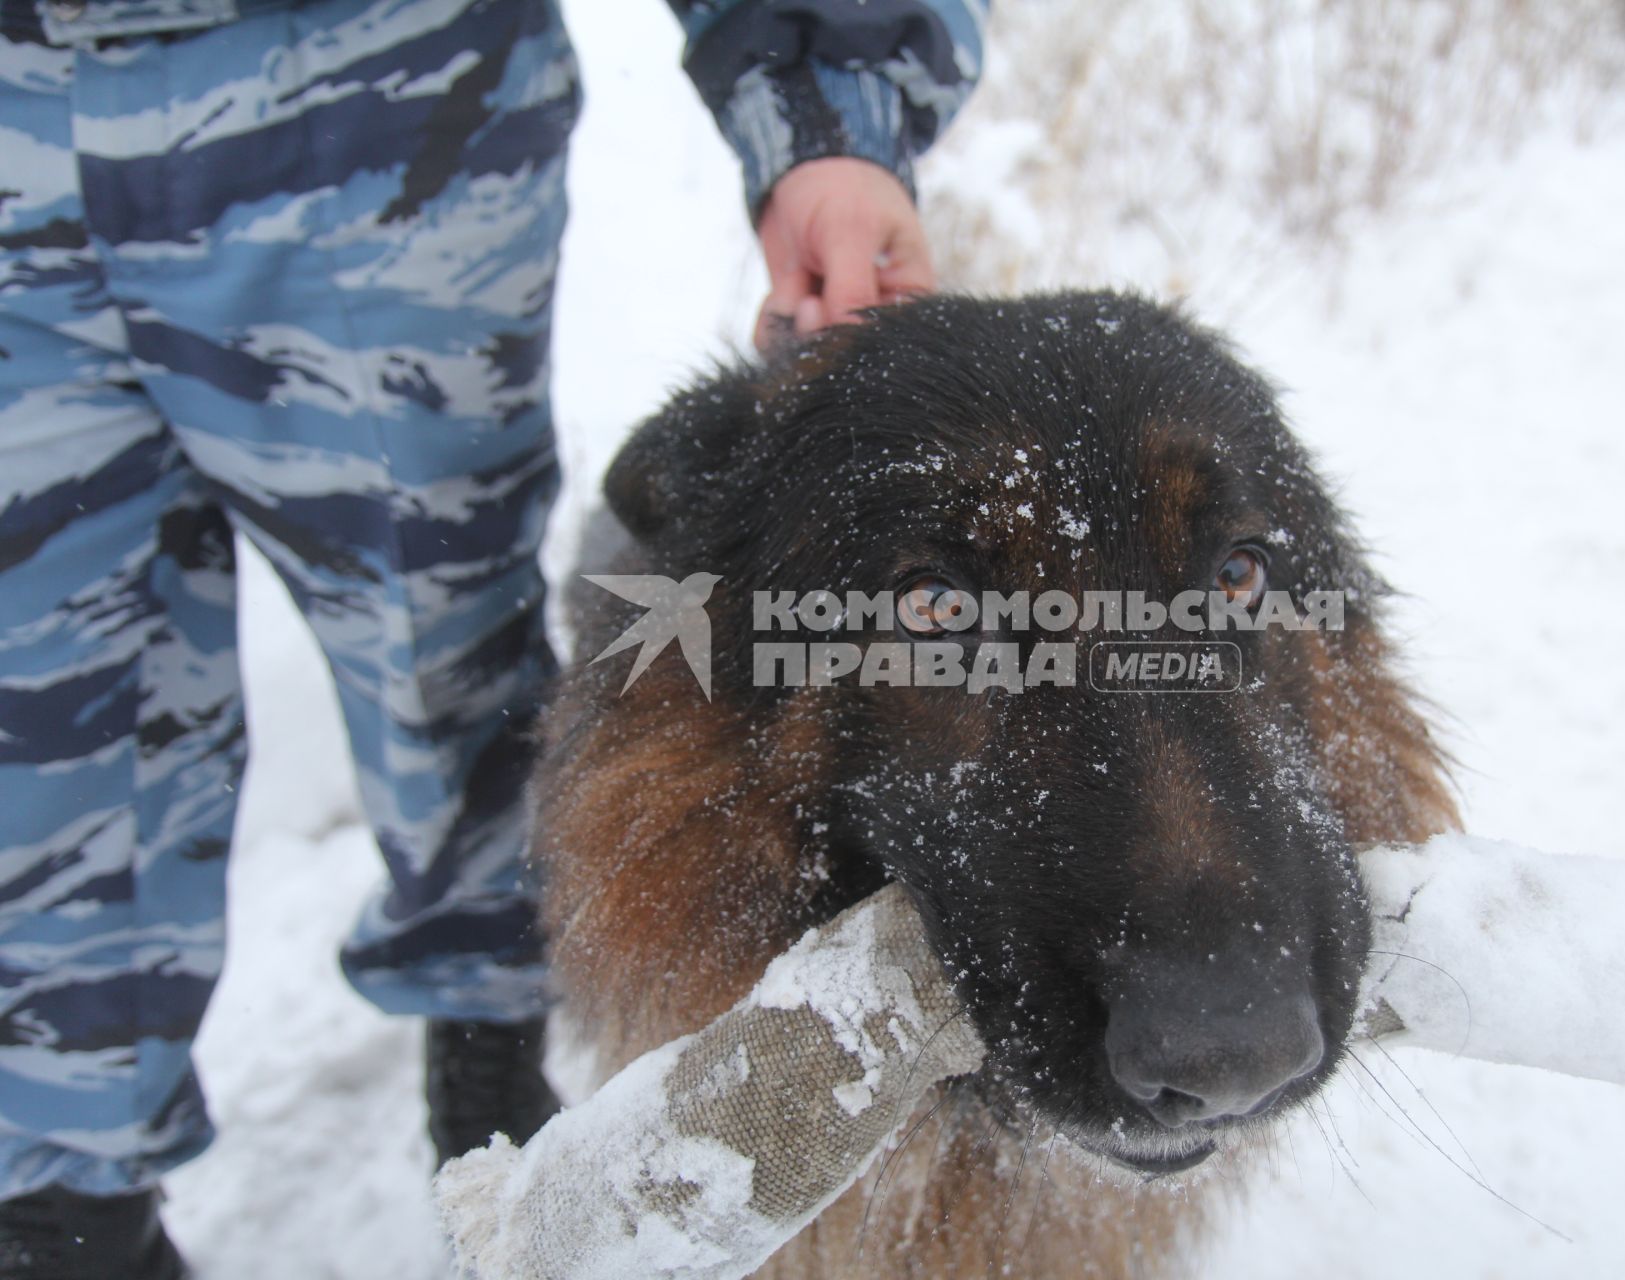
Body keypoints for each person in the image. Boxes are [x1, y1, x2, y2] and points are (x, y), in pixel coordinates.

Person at [0, 0, 984, 1272]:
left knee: (443, 665)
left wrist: (825, 120)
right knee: (40, 720)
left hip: (352, 97)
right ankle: (61, 1212)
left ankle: (487, 1053)